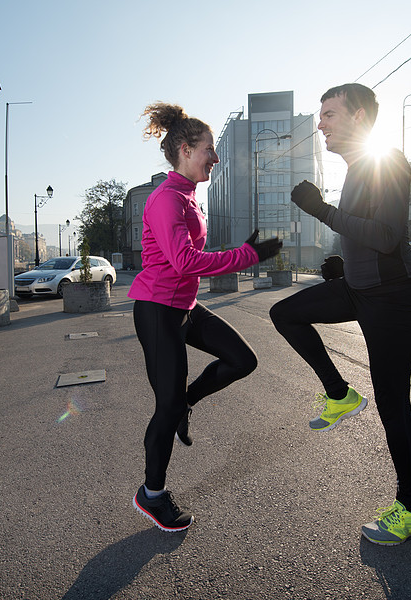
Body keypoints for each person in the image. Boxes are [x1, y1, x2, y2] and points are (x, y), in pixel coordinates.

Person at [269, 83, 411, 545]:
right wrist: (345, 261)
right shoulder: (358, 169)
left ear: (358, 117)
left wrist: (321, 210)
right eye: (321, 115)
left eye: (329, 115)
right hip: (359, 289)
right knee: (285, 314)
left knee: (393, 408)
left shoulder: (388, 162)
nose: (320, 124)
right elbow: (366, 236)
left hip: (393, 300)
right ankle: (338, 394)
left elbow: (385, 233)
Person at [130, 102, 282, 532]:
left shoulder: (189, 196)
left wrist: (242, 249)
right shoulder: (165, 199)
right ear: (184, 149)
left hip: (184, 307)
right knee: (166, 404)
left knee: (242, 359)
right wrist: (247, 255)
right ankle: (152, 494)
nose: (215, 158)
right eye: (209, 150)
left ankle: (187, 405)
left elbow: (189, 256)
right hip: (158, 310)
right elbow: (182, 261)